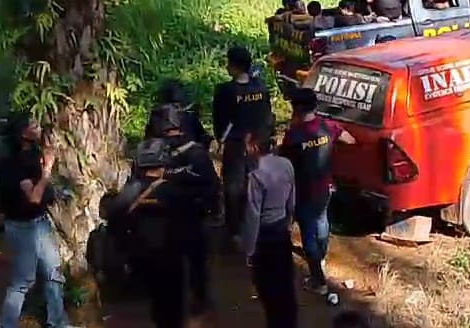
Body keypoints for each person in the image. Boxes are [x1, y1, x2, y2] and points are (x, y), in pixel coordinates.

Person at [101, 126, 212, 328]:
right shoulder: (177, 191)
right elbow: (195, 222)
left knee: (159, 303)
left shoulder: (129, 192)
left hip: (144, 259)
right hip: (172, 257)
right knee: (174, 305)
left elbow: (116, 221)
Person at [0, 115, 87, 328]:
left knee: (53, 272)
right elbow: (34, 197)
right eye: (32, 125)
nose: (37, 127)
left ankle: (58, 327)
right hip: (23, 227)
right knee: (23, 280)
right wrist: (47, 171)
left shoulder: (32, 155)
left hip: (39, 223)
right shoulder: (11, 163)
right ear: (22, 133)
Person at [279, 89, 356, 295]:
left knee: (308, 235)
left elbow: (285, 163)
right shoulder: (327, 126)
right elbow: (350, 140)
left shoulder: (293, 136)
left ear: (296, 108)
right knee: (322, 221)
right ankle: (321, 257)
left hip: (303, 191)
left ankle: (318, 281)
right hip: (325, 187)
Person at [146, 103, 218, 317]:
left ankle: (196, 300)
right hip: (186, 215)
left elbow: (209, 184)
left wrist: (169, 177)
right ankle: (196, 299)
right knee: (192, 263)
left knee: (189, 262)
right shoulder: (180, 150)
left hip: (187, 215)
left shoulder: (187, 153)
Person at [241, 129, 297, 328]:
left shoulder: (255, 175)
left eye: (247, 145)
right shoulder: (286, 165)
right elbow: (292, 198)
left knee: (267, 286)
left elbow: (253, 214)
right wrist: (289, 220)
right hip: (281, 229)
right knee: (285, 283)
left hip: (264, 235)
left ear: (255, 147)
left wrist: (249, 249)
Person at [213, 46, 275, 244]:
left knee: (234, 187)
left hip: (236, 146)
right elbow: (267, 116)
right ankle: (259, 224)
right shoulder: (261, 87)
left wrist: (220, 139)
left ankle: (234, 230)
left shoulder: (225, 91)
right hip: (259, 144)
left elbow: (219, 121)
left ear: (233, 66)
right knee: (258, 183)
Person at [143, 80, 210, 145]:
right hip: (183, 150)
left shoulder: (155, 114)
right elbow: (204, 139)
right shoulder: (189, 117)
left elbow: (147, 139)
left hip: (160, 151)